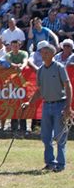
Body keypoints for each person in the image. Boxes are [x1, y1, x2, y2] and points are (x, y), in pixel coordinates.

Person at [23, 41, 71, 172]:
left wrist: (68, 106)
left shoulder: (59, 67)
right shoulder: (40, 71)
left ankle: (60, 164)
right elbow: (39, 90)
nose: (43, 55)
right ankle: (50, 162)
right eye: (41, 53)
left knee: (60, 136)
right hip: (46, 105)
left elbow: (68, 86)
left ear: (52, 54)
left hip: (59, 104)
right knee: (45, 136)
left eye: (45, 53)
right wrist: (30, 102)